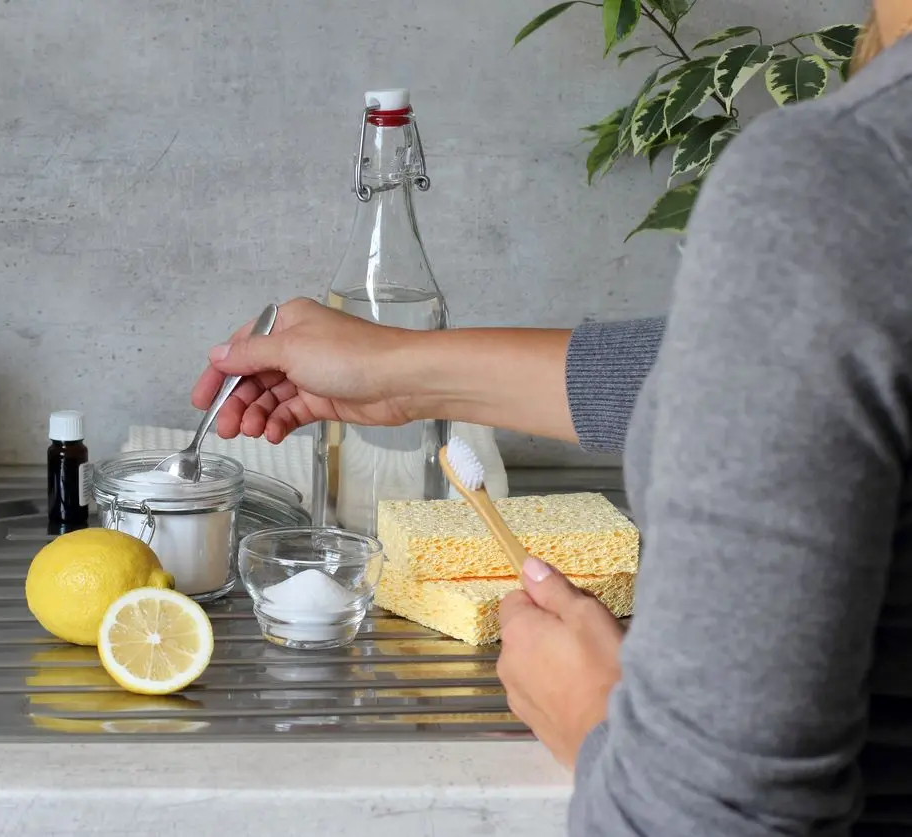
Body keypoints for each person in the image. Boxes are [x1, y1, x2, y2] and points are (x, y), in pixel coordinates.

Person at [190, 5, 912, 833]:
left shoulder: (837, 178)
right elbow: (774, 361)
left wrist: (591, 717)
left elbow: (715, 818)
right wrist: (399, 373)